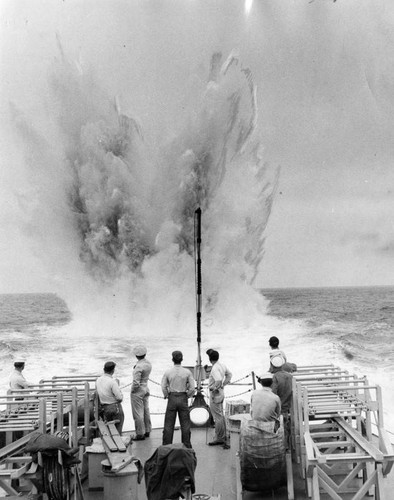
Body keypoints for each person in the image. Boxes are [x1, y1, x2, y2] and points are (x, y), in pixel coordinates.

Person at [161, 350, 195, 448]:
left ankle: (166, 446)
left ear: (172, 359)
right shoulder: (187, 372)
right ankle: (186, 446)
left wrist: (166, 395)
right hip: (183, 397)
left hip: (172, 397)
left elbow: (163, 386)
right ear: (182, 359)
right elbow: (192, 387)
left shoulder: (168, 372)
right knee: (185, 424)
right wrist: (187, 395)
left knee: (168, 424)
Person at [206, 349, 232, 449]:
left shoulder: (214, 368)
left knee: (217, 416)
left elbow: (218, 380)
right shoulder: (222, 365)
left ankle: (219, 438)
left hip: (215, 393)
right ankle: (224, 435)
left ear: (210, 359)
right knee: (220, 414)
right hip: (221, 392)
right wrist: (223, 385)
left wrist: (215, 388)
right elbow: (229, 375)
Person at [130, 344, 152, 441]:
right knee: (146, 410)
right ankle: (147, 430)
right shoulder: (148, 364)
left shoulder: (138, 366)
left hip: (138, 390)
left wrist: (133, 391)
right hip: (146, 387)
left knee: (138, 413)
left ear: (136, 355)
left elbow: (136, 382)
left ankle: (140, 433)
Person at [95, 361, 124, 434]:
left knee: (109, 430)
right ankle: (118, 443)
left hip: (105, 408)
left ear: (103, 369)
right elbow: (119, 398)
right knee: (117, 429)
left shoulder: (98, 380)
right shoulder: (112, 382)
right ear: (113, 371)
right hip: (114, 407)